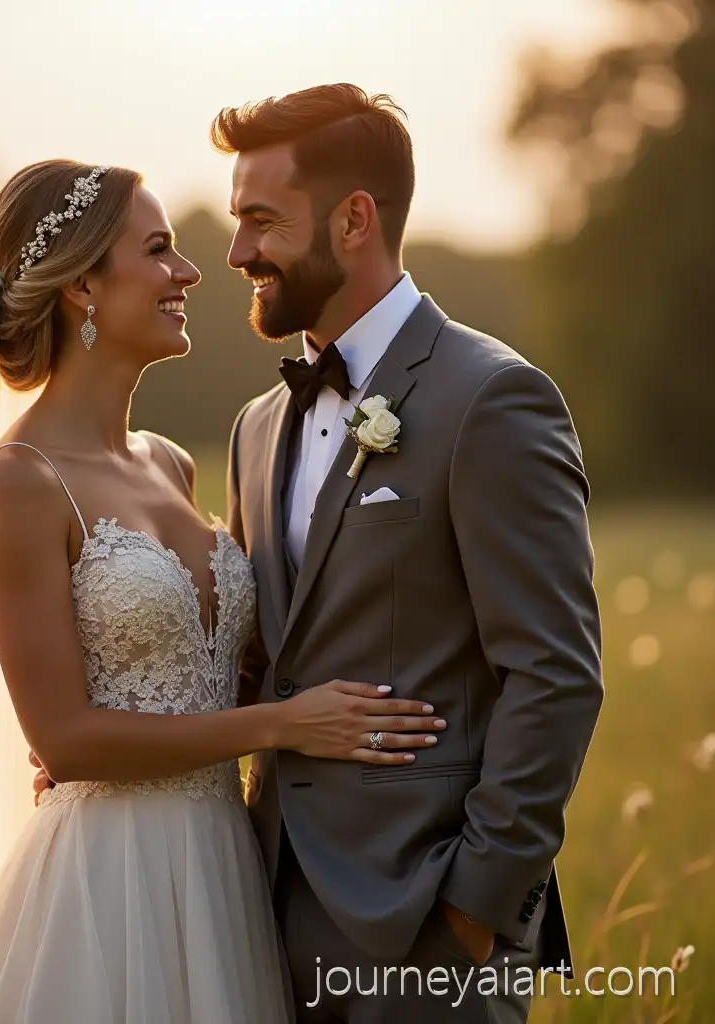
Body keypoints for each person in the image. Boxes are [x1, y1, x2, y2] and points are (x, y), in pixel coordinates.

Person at [0, 158, 446, 1024]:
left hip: (220, 865)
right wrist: (283, 725)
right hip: (108, 882)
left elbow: (213, 672)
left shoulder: (169, 462)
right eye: (158, 251)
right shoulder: (20, 482)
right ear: (83, 285)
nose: (190, 272)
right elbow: (66, 740)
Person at [215, 83, 605, 1023]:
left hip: (425, 928)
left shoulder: (494, 400)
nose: (236, 254)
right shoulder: (255, 428)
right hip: (257, 912)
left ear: (354, 220)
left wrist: (472, 915)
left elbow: (553, 675)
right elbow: (260, 657)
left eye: (261, 221)